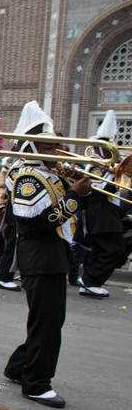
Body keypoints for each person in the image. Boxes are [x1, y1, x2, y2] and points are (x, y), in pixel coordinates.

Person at [3, 101, 91, 409]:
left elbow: (73, 208)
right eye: (50, 148)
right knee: (47, 322)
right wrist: (72, 197)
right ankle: (37, 383)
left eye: (56, 147)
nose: (57, 153)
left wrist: (80, 190)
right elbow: (36, 223)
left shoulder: (50, 175)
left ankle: (19, 368)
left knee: (47, 320)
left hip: (53, 256)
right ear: (31, 146)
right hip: (40, 257)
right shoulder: (28, 176)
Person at [77, 110, 125, 298]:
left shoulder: (107, 163)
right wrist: (115, 172)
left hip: (107, 208)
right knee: (115, 247)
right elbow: (100, 186)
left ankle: (90, 281)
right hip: (99, 208)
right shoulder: (96, 163)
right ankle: (92, 280)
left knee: (100, 247)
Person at [0, 154, 23, 291]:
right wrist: (1, 205)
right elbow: (6, 187)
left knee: (16, 246)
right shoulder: (17, 167)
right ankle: (4, 277)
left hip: (18, 213)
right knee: (12, 246)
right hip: (15, 213)